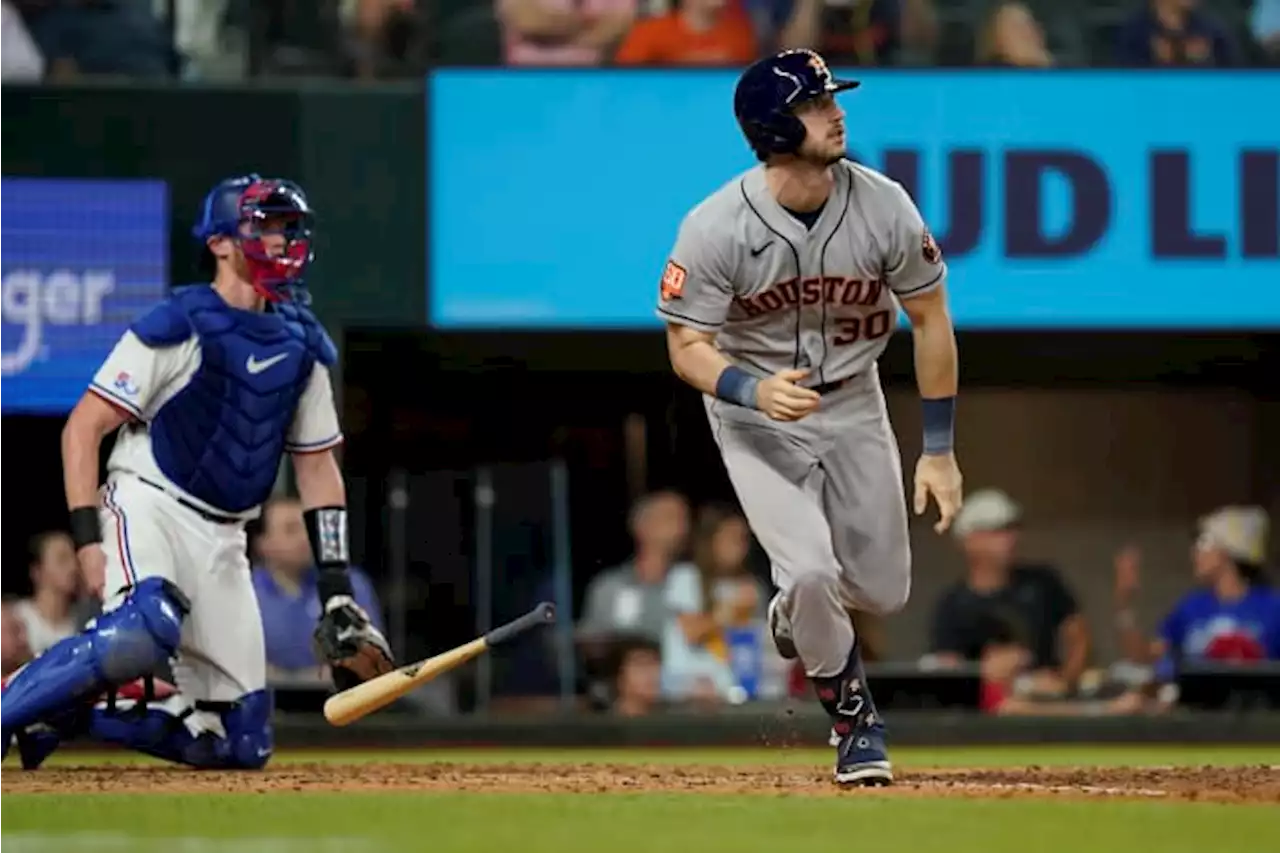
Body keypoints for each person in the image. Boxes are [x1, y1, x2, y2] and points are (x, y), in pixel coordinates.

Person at [0, 174, 394, 771]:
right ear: (220, 242)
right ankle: (10, 700)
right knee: (143, 628)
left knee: (240, 745)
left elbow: (317, 470)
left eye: (289, 227)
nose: (282, 239)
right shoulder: (180, 320)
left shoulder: (304, 344)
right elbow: (82, 428)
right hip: (148, 502)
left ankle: (69, 708)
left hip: (227, 535)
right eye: (265, 225)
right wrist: (86, 538)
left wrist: (335, 589)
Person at [656, 48, 962, 785]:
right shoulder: (717, 224)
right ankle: (856, 721)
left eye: (832, 98)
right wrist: (747, 390)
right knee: (812, 570)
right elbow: (684, 345)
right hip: (756, 412)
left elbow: (931, 317)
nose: (836, 111)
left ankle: (796, 612)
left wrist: (941, 449)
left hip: (853, 398)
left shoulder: (884, 202)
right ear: (772, 125)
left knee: (883, 589)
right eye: (816, 103)